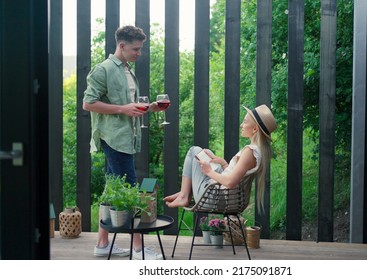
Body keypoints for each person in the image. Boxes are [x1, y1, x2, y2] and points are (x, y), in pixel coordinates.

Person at [83, 25, 166, 260]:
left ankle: (102, 244)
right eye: (135, 49)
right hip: (114, 138)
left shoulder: (128, 69)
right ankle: (138, 249)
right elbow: (88, 104)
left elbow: (130, 107)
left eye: (140, 49)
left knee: (113, 189)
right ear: (121, 46)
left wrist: (150, 108)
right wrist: (122, 109)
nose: (139, 53)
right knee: (130, 191)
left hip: (128, 138)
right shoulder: (104, 70)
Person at [164, 104, 276, 213]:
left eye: (245, 122)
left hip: (215, 199)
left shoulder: (250, 151)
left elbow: (230, 182)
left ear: (255, 129)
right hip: (224, 197)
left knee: (194, 151)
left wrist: (208, 171)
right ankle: (185, 193)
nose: (241, 125)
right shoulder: (256, 152)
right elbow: (236, 178)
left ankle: (184, 195)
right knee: (205, 153)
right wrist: (223, 164)